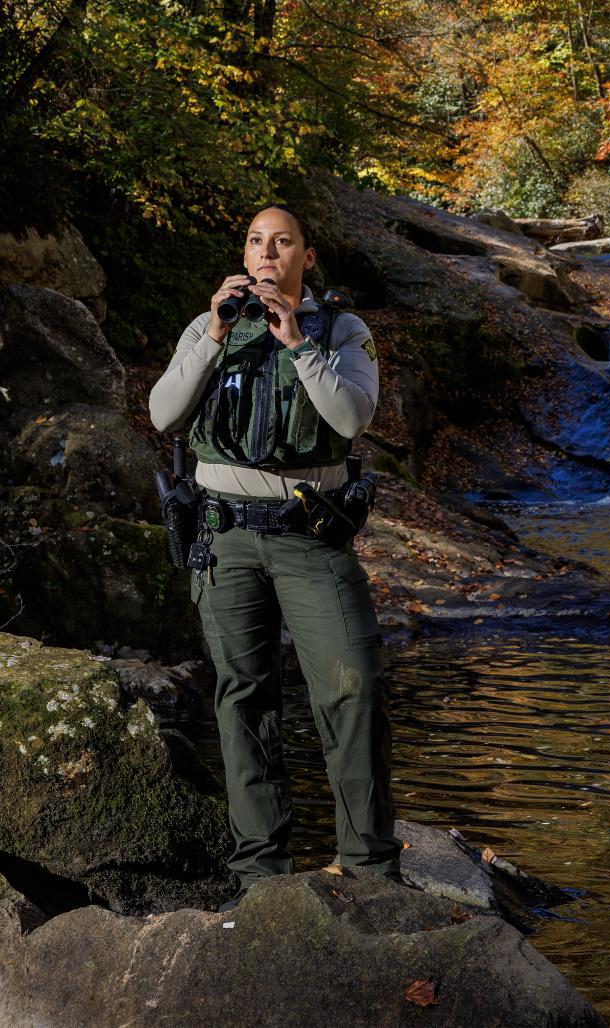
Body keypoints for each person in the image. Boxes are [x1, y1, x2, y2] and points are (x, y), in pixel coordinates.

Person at [149, 205, 400, 912]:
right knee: (242, 698)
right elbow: (164, 413)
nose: (267, 253)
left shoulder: (342, 330)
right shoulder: (211, 326)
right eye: (257, 241)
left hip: (310, 537)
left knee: (354, 686)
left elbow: (351, 418)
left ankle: (371, 869)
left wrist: (297, 343)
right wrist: (216, 332)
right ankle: (261, 875)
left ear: (306, 257)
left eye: (282, 242)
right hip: (223, 539)